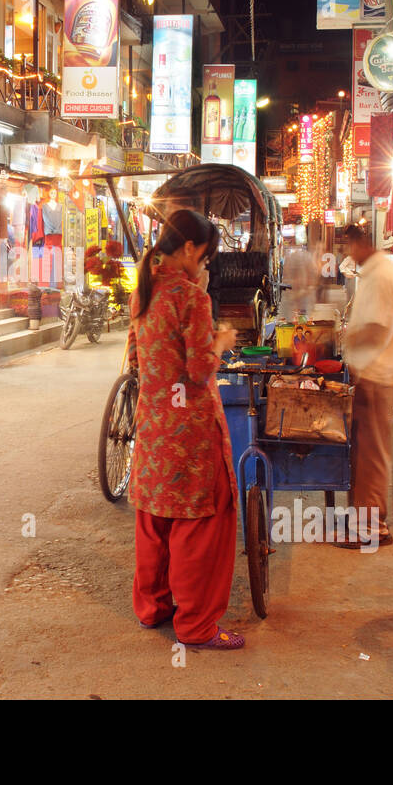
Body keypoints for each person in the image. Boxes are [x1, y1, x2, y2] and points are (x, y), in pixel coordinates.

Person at [127, 209, 244, 650]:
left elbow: (149, 358)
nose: (206, 266)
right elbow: (198, 370)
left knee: (155, 517)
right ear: (191, 249)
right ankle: (196, 626)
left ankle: (153, 609)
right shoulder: (191, 297)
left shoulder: (144, 290)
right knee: (199, 523)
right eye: (207, 257)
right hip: (190, 430)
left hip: (154, 423)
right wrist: (220, 342)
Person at [338, 223, 393, 548]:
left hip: (376, 375)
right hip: (373, 374)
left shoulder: (381, 276)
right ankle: (364, 521)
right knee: (366, 451)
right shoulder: (375, 272)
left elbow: (377, 329)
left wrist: (343, 336)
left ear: (360, 243)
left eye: (348, 247)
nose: (348, 255)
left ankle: (372, 528)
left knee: (371, 453)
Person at [278, 239, 319, 321]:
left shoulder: (303, 257)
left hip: (301, 301)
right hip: (293, 302)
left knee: (302, 321)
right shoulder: (287, 298)